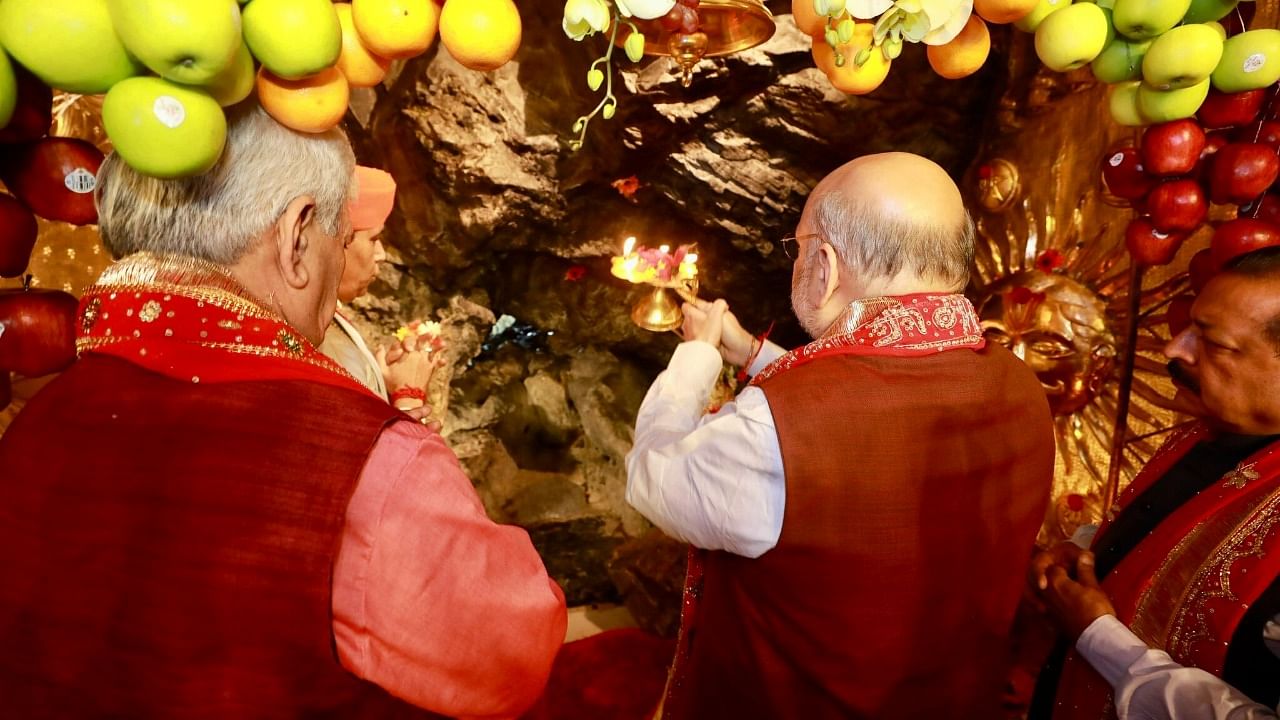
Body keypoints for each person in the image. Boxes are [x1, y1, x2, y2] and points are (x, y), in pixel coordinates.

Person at [0, 103, 566, 718]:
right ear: (298, 235)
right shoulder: (362, 462)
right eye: (342, 240)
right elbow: (509, 656)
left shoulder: (37, 423)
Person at [625, 152, 1057, 719]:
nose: (798, 262)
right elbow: (870, 411)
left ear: (824, 264)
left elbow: (654, 478)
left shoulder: (774, 430)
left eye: (799, 248)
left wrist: (697, 355)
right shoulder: (1020, 386)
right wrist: (751, 353)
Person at [1029, 246, 1280, 719]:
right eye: (1189, 327)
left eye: (1214, 342)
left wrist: (1098, 637)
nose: (1173, 349)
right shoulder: (1205, 434)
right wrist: (1091, 554)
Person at [318, 165, 441, 421]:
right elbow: (373, 454)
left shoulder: (331, 319)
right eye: (374, 239)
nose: (381, 255)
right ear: (337, 241)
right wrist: (409, 396)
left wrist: (382, 379)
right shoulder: (310, 334)